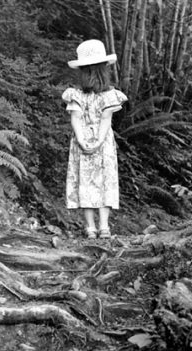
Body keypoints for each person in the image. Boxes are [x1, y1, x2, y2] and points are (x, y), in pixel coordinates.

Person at [62, 39, 127, 239]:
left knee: (85, 182)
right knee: (105, 181)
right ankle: (104, 226)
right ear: (103, 70)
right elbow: (106, 119)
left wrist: (82, 141)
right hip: (103, 140)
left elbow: (76, 118)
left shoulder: (76, 94)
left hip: (83, 140)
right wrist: (98, 141)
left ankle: (90, 227)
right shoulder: (109, 95)